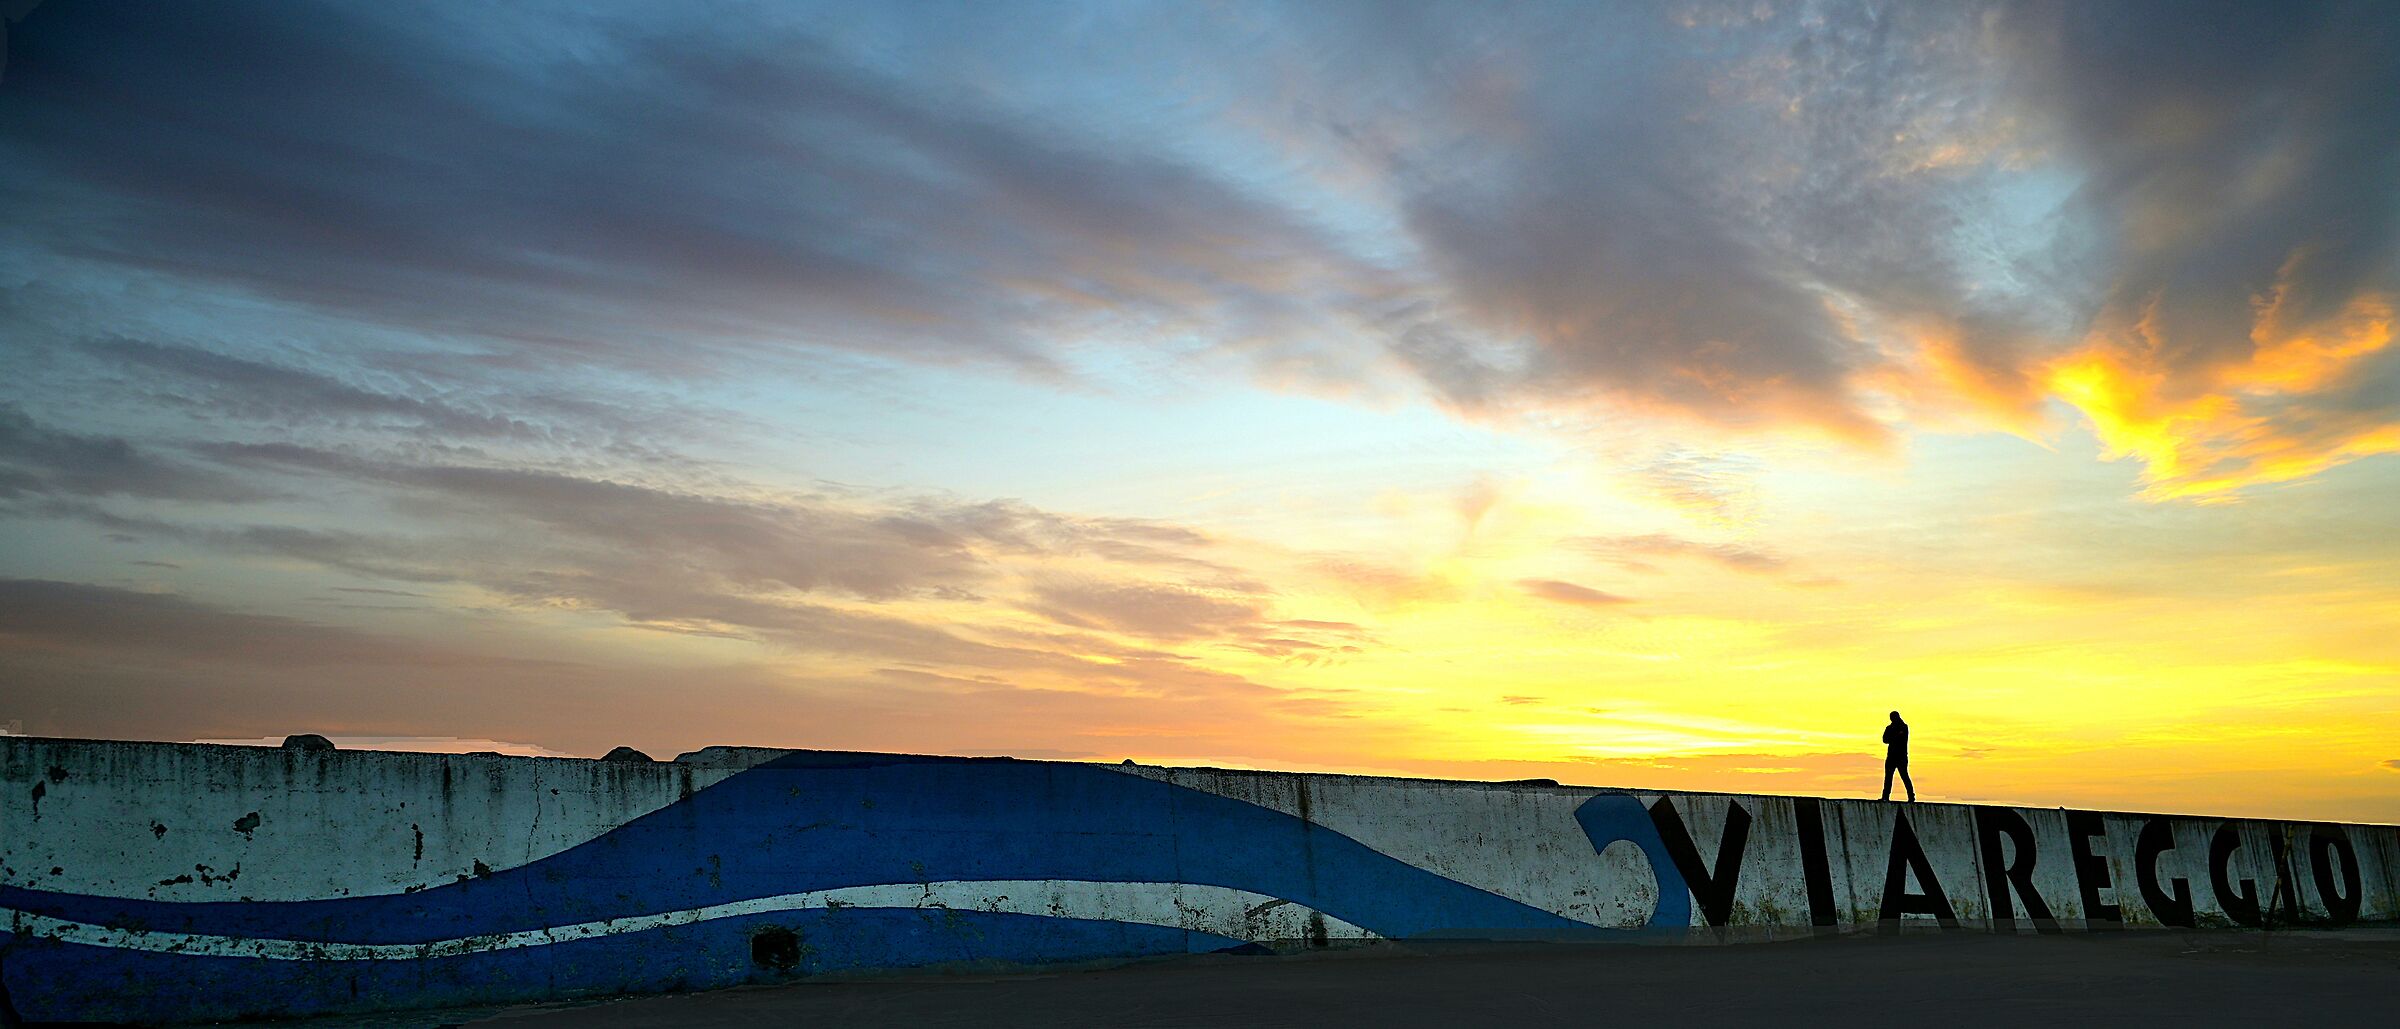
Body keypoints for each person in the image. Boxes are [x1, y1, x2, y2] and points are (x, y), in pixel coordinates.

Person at [1880, 711, 1914, 802]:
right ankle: (1885, 797)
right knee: (1888, 777)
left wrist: (1893, 737)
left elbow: (1899, 739)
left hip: (1901, 757)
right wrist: (1896, 736)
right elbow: (1885, 739)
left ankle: (1911, 797)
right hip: (1891, 756)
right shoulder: (1890, 728)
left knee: (1904, 776)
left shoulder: (1904, 727)